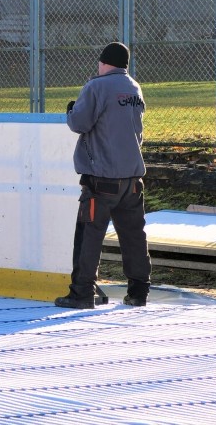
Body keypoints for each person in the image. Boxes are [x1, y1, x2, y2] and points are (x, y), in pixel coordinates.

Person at [55, 41, 151, 309]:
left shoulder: (96, 86)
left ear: (103, 62)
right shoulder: (134, 87)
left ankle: (82, 294)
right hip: (132, 179)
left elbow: (79, 123)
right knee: (134, 236)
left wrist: (70, 109)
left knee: (89, 236)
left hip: (102, 180)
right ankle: (139, 292)